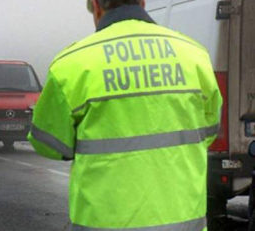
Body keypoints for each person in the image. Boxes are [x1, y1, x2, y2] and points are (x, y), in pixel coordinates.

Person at [27, 0, 223, 230]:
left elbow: (49, 143)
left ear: (96, 5)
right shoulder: (194, 56)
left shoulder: (72, 64)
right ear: (142, 2)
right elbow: (208, 130)